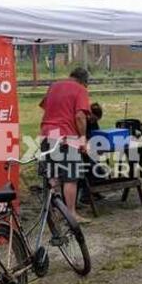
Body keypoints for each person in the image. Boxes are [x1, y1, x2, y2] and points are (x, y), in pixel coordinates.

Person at [39, 67, 92, 224]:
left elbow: (46, 107)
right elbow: (80, 116)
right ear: (84, 81)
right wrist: (83, 139)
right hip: (66, 136)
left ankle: (55, 212)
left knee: (53, 175)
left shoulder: (53, 86)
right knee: (70, 177)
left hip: (47, 133)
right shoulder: (80, 89)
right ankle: (71, 213)